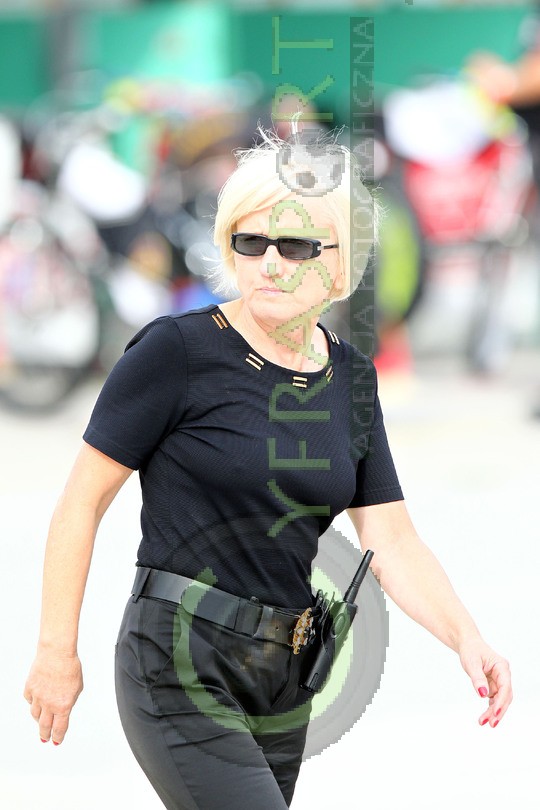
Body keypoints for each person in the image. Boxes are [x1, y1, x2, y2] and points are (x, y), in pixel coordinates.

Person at [24, 131, 512, 810]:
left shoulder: (351, 379)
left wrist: (467, 637)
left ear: (340, 262)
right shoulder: (176, 352)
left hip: (286, 677)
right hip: (178, 661)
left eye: (296, 246)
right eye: (251, 243)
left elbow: (392, 539)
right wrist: (56, 651)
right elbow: (81, 502)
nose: (271, 263)